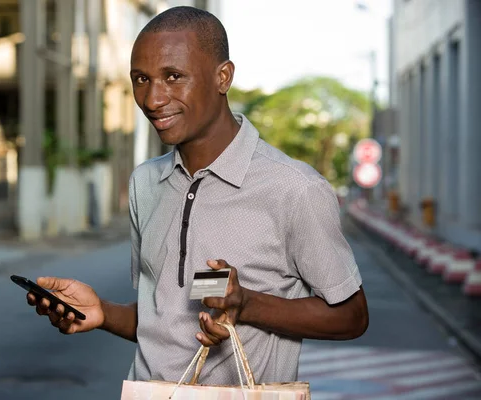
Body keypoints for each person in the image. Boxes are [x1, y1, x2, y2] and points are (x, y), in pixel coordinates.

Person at [26, 6, 369, 386]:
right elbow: (165, 320)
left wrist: (247, 305)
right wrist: (103, 312)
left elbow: (352, 316)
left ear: (223, 77)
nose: (153, 99)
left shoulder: (294, 188)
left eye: (173, 77)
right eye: (141, 79)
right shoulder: (144, 183)